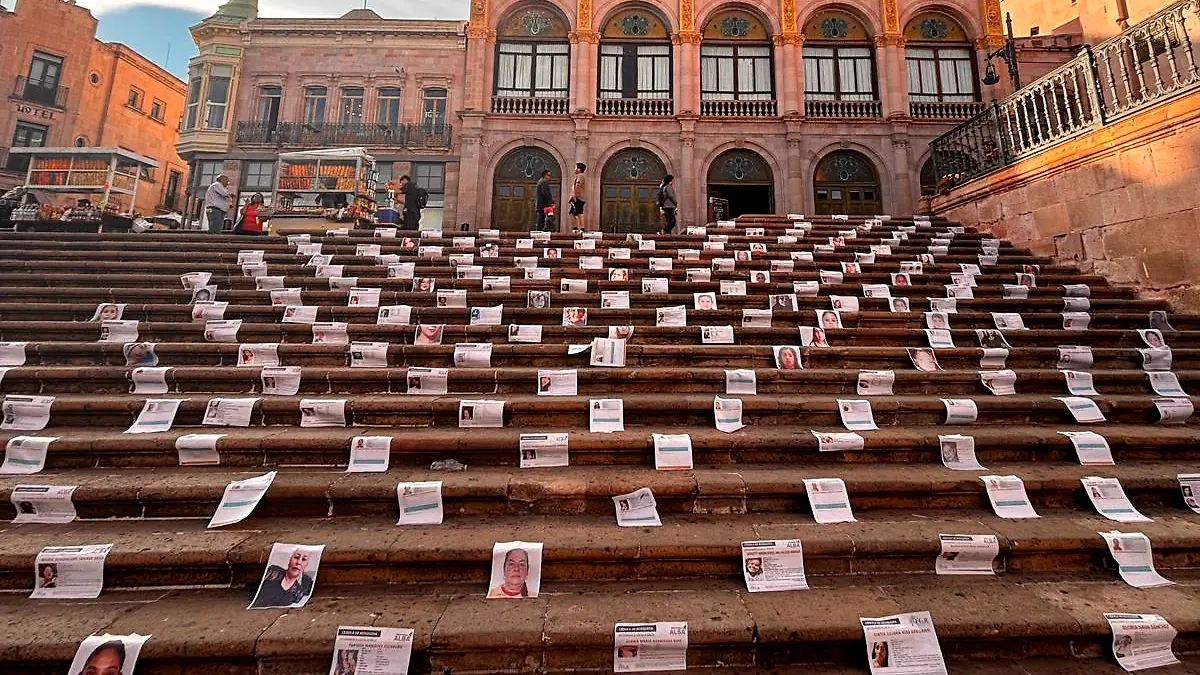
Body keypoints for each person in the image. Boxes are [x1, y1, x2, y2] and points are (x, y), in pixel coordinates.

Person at [250, 548, 316, 608]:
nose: (298, 562)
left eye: (304, 559)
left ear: (306, 566)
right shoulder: (273, 572)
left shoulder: (298, 592)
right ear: (289, 561)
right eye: (296, 557)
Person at [569, 162, 586, 231]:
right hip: (576, 197)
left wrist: (575, 195)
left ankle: (581, 228)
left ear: (579, 169)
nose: (574, 169)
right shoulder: (578, 176)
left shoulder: (580, 176)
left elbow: (578, 185)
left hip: (578, 197)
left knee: (579, 213)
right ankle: (576, 228)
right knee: (572, 213)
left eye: (575, 167)